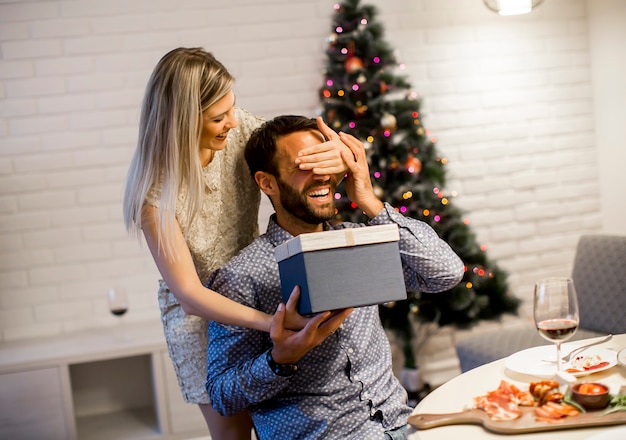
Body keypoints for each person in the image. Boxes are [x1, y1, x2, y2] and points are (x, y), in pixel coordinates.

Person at [122, 48, 349, 440]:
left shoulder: (239, 129)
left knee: (283, 410)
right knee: (234, 432)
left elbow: (293, 159)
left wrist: (339, 153)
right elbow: (190, 295)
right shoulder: (156, 194)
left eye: (232, 108)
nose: (232, 121)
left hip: (256, 288)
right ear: (182, 121)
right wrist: (273, 325)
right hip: (204, 320)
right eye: (217, 117)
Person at [205, 115, 465, 439]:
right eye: (305, 166)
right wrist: (280, 359)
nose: (322, 176)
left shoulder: (359, 240)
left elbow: (446, 272)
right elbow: (221, 395)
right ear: (267, 182)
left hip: (402, 425)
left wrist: (369, 199)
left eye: (326, 162)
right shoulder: (241, 276)